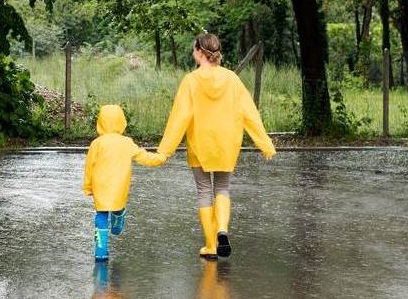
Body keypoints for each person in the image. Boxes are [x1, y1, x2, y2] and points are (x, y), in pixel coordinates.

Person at [157, 33, 276, 260]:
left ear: (200, 52)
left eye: (194, 49)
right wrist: (265, 144)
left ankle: (211, 245)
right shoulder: (231, 78)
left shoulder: (191, 81)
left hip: (201, 143)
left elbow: (179, 118)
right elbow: (249, 112)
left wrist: (165, 150)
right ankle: (223, 230)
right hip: (226, 143)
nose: (193, 53)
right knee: (222, 188)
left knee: (204, 191)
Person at [83, 105, 166, 261]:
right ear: (122, 122)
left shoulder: (97, 143)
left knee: (101, 214)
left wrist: (88, 186)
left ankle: (100, 251)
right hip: (119, 185)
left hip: (100, 185)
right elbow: (144, 156)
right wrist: (160, 158)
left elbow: (89, 165)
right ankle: (117, 220)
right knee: (117, 206)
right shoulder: (126, 142)